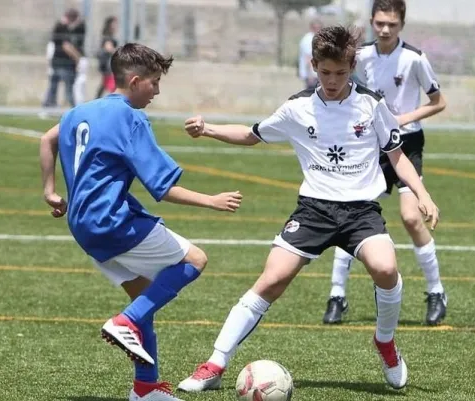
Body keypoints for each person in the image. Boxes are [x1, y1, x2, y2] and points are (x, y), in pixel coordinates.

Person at [176, 25, 440, 393]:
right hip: (314, 210)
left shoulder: (371, 104)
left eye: (341, 73)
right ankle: (215, 364)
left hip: (361, 211)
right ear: (313, 65)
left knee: (385, 268)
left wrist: (422, 193)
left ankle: (385, 343)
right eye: (325, 72)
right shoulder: (297, 107)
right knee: (271, 280)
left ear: (352, 68)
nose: (332, 81)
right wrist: (208, 129)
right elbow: (251, 135)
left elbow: (397, 155)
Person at [39, 43, 243, 401]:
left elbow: (47, 139)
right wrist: (211, 200)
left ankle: (145, 389)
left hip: (83, 226)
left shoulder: (79, 111)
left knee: (144, 296)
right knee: (195, 259)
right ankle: (125, 322)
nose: (157, 91)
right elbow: (162, 188)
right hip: (112, 222)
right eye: (154, 82)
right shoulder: (131, 119)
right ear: (134, 81)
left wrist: (49, 190)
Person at [324, 0, 448, 326]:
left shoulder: (415, 59)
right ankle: (337, 295)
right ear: (371, 22)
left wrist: (404, 118)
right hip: (370, 144)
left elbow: (438, 102)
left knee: (411, 217)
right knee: (350, 213)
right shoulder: (361, 55)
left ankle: (436, 291)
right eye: (379, 23)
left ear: (401, 25)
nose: (385, 29)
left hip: (407, 143)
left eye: (391, 24)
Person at [43, 8, 82, 108]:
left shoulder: (62, 27)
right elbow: (66, 46)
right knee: (67, 90)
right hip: (63, 64)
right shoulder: (62, 27)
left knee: (53, 87)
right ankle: (73, 108)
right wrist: (77, 58)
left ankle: (48, 106)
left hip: (57, 63)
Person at [96, 16, 119, 98]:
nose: (116, 26)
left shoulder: (109, 36)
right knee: (111, 84)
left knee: (105, 84)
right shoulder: (107, 37)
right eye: (114, 24)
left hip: (108, 64)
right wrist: (121, 52)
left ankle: (97, 100)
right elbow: (109, 48)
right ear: (109, 25)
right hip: (108, 64)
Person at [298, 18, 323, 90]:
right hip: (312, 74)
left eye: (319, 28)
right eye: (316, 28)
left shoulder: (318, 38)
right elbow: (308, 58)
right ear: (311, 28)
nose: (318, 30)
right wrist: (310, 75)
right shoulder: (308, 39)